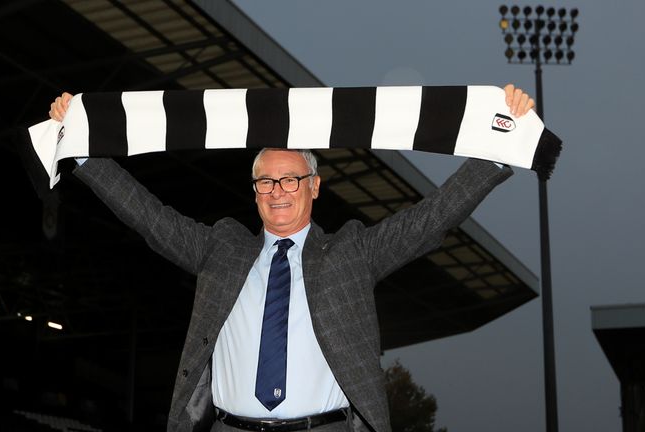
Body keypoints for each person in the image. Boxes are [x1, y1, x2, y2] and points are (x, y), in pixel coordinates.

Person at [49, 85, 535, 432]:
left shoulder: (352, 252)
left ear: (314, 185)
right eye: (266, 181)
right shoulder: (220, 248)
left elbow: (431, 218)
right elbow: (149, 216)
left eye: (290, 179)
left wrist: (496, 151)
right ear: (255, 192)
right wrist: (83, 154)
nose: (277, 191)